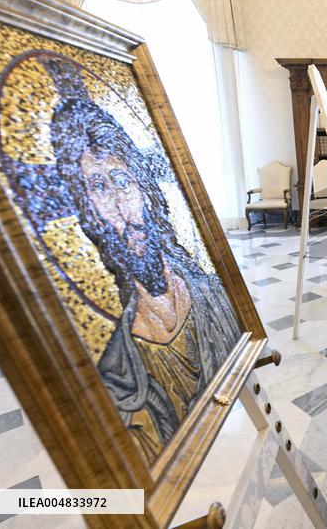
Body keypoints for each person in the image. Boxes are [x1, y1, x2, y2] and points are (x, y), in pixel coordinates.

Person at [49, 82, 241, 463]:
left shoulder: (216, 295)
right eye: (98, 188)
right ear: (89, 215)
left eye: (122, 180)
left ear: (145, 189)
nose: (120, 204)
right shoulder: (119, 374)